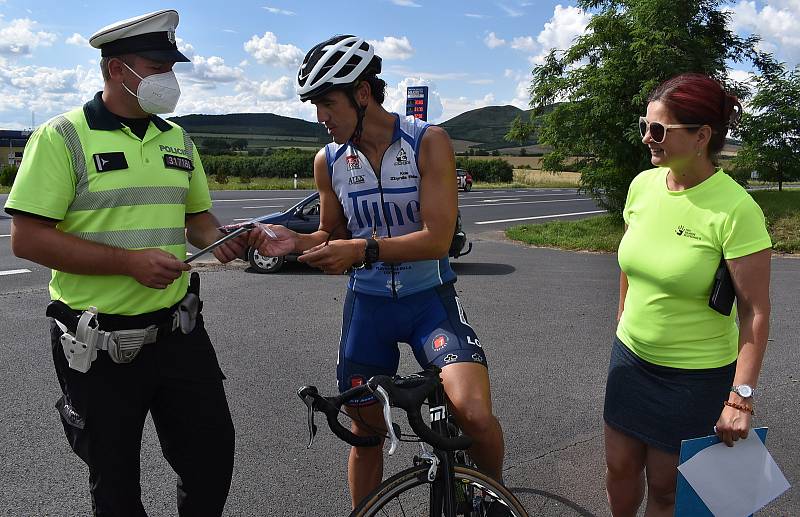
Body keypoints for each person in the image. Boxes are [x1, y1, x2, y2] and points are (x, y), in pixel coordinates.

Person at [4, 10, 265, 516]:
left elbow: (200, 223)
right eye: (157, 65)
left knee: (211, 461)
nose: (168, 78)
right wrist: (128, 263)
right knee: (116, 484)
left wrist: (230, 240)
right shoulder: (62, 138)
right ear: (116, 70)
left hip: (179, 336)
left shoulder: (178, 140)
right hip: (98, 344)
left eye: (171, 67)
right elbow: (28, 238)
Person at [257, 35, 507, 509]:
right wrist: (294, 241)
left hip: (428, 301)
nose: (320, 117)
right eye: (315, 105)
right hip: (368, 309)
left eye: (327, 102)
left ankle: (490, 495)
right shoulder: (328, 161)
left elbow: (437, 238)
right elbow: (330, 232)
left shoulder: (427, 143)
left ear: (363, 94)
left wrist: (364, 250)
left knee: (473, 414)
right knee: (365, 431)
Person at [604, 73, 772, 516]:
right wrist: (623, 314)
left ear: (702, 136)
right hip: (631, 359)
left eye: (658, 130)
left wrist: (741, 398)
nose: (646, 138)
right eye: (644, 125)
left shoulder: (736, 209)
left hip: (693, 375)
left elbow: (755, 311)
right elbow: (630, 260)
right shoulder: (642, 185)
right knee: (619, 467)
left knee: (664, 487)